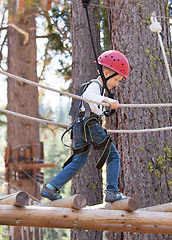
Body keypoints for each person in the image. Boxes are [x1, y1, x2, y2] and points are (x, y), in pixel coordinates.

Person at [40, 50, 130, 202]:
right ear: (107, 72)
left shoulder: (98, 88)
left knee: (79, 161)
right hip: (90, 126)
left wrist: (106, 108)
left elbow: (92, 105)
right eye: (116, 79)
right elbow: (88, 97)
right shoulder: (95, 85)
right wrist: (108, 101)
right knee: (113, 155)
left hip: (80, 127)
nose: (116, 84)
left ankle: (51, 187)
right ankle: (112, 191)